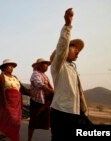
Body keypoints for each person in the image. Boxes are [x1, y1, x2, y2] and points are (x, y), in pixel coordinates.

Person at [49, 8, 90, 140]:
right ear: (67, 48)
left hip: (75, 112)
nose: (78, 52)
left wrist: (84, 109)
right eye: (75, 49)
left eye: (79, 51)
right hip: (61, 112)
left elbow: (78, 92)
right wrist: (67, 26)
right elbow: (62, 47)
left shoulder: (73, 69)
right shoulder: (59, 66)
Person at [0, 59, 29, 141]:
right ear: (4, 67)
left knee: (15, 123)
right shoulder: (0, 77)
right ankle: (9, 137)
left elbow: (23, 89)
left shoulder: (15, 78)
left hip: (17, 103)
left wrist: (33, 93)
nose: (12, 68)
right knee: (10, 121)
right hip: (7, 103)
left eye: (12, 66)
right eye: (9, 66)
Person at [27, 58, 54, 141]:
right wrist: (52, 91)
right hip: (37, 101)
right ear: (39, 65)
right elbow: (40, 84)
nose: (47, 66)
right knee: (33, 122)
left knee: (51, 120)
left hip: (46, 102)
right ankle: (29, 140)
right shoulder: (35, 74)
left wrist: (52, 92)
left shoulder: (45, 75)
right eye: (44, 64)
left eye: (47, 64)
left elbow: (48, 86)